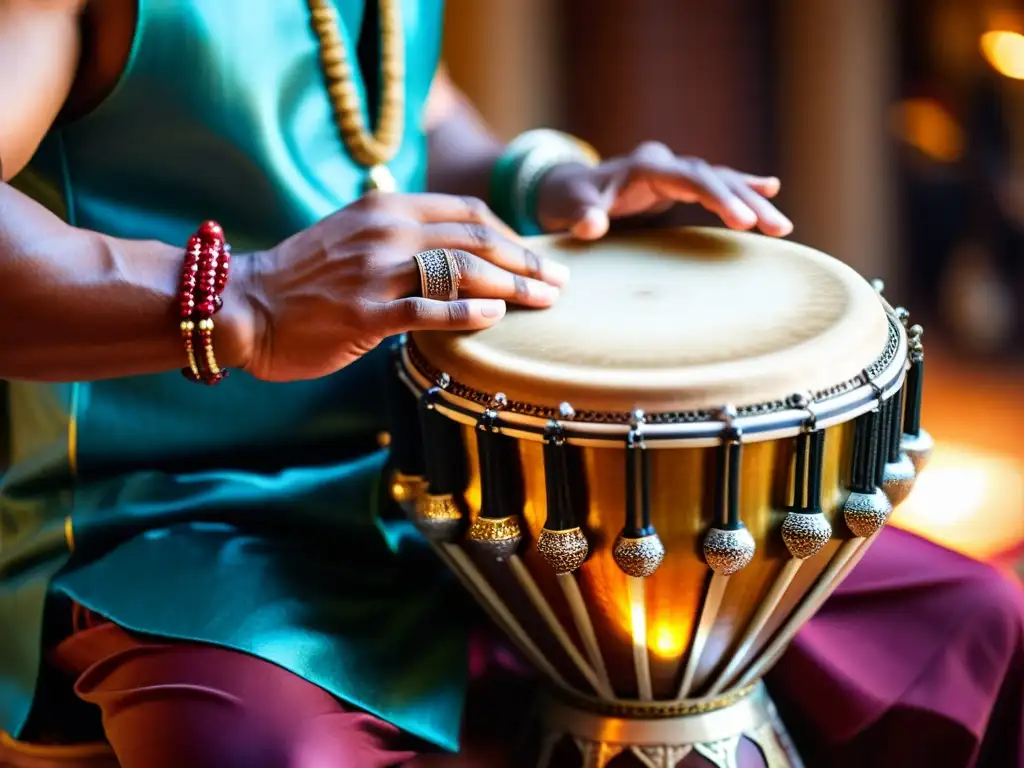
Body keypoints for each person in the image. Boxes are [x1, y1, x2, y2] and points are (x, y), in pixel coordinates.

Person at [0, 1, 1020, 767]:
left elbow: (400, 128)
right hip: (175, 526)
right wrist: (254, 301)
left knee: (976, 621)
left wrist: (548, 181)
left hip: (453, 472)